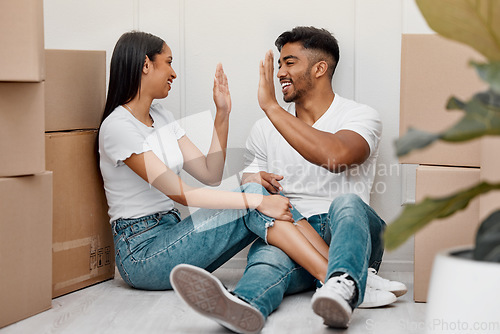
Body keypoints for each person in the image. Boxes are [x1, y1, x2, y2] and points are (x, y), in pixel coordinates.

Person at [98, 30, 365, 330]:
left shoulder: (161, 116)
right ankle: (334, 276)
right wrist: (257, 198)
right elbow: (183, 194)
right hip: (142, 254)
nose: (173, 72)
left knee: (255, 187)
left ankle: (336, 275)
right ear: (146, 64)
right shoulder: (118, 128)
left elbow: (210, 174)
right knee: (255, 193)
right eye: (168, 62)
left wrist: (222, 113)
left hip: (172, 233)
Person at [170, 26, 407, 332]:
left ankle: (345, 280)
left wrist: (271, 106)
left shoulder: (360, 116)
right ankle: (243, 305)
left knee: (347, 203)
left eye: (289, 63)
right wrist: (255, 180)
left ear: (320, 68)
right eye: (279, 64)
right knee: (268, 256)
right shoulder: (263, 129)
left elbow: (335, 156)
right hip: (292, 234)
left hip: (350, 235)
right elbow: (254, 189)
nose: (280, 72)